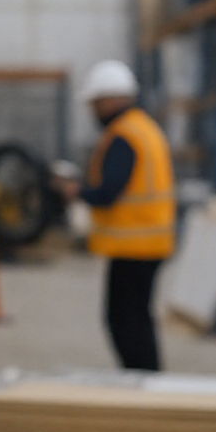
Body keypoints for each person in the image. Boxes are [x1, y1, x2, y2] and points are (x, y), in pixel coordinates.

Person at [55, 61, 175, 370]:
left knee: (125, 321)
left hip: (133, 246)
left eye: (95, 104)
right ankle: (146, 380)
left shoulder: (124, 136)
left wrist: (74, 191)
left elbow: (108, 193)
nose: (93, 111)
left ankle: (143, 382)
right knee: (136, 318)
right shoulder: (145, 128)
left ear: (109, 100)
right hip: (149, 242)